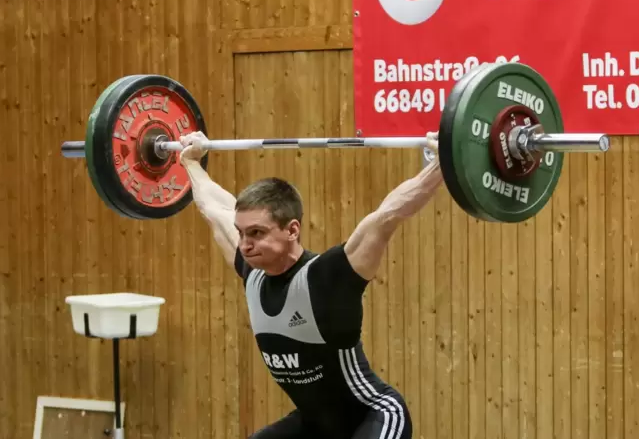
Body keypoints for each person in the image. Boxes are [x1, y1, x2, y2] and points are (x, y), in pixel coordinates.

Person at [178, 131, 443, 439]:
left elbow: (386, 216)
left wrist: (441, 166)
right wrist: (191, 163)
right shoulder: (251, 272)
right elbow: (213, 208)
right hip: (315, 426)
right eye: (242, 233)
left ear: (292, 230)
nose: (245, 244)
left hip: (373, 417)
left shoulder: (326, 278)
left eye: (256, 233)